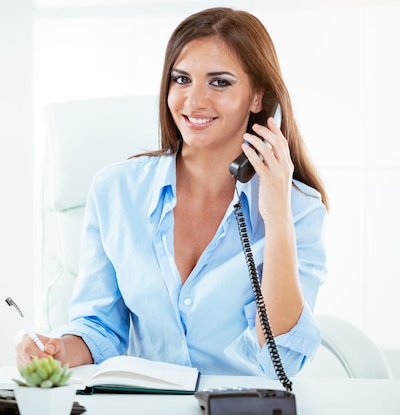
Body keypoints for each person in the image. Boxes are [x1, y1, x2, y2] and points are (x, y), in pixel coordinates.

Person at [17, 7, 328, 378]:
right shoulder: (115, 191)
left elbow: (283, 359)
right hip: (144, 407)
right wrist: (56, 351)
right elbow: (99, 328)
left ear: (258, 97)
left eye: (220, 82)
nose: (194, 101)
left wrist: (277, 215)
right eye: (181, 79)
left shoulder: (300, 208)